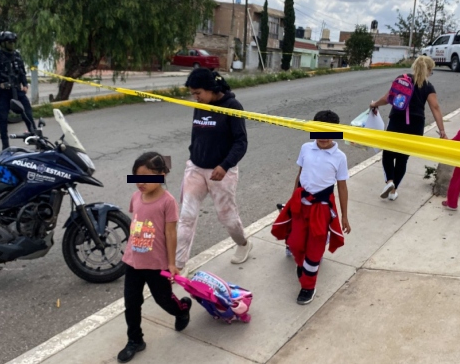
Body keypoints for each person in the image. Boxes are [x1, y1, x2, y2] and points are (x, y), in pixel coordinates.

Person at [175, 68, 252, 273]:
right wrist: (194, 156)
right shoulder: (200, 104)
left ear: (211, 89)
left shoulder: (232, 106)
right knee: (186, 216)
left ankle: (243, 244)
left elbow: (241, 142)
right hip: (196, 168)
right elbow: (197, 135)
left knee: (226, 216)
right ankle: (179, 264)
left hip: (222, 172)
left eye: (198, 93)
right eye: (192, 94)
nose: (195, 97)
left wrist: (225, 165)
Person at [119, 152, 192, 363]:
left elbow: (170, 233)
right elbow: (137, 223)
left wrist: (171, 263)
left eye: (146, 178)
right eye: (136, 177)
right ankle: (135, 340)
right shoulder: (136, 197)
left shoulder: (168, 202)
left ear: (161, 175)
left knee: (164, 300)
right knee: (132, 303)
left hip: (156, 264)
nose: (140, 183)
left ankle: (182, 309)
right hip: (133, 261)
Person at [271, 110, 350, 305]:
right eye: (318, 131)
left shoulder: (340, 157)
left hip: (321, 211)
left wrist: (344, 216)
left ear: (337, 132)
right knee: (296, 243)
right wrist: (292, 200)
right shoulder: (306, 148)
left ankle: (308, 286)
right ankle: (303, 264)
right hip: (301, 206)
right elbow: (300, 174)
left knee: (314, 251)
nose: (323, 137)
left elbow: (342, 186)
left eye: (328, 132)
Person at [370, 56, 447, 201]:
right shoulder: (428, 86)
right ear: (429, 70)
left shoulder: (402, 78)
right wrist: (442, 131)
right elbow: (435, 107)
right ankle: (393, 191)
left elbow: (388, 98)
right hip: (416, 126)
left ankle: (390, 182)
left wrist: (374, 104)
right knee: (402, 159)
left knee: (388, 154)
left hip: (397, 121)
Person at [0, 31, 35, 150]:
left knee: (27, 112)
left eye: (13, 42)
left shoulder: (17, 55)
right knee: (3, 119)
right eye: (9, 42)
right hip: (2, 92)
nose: (12, 44)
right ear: (2, 43)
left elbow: (21, 71)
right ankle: (5, 146)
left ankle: (35, 137)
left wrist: (25, 84)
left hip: (17, 90)